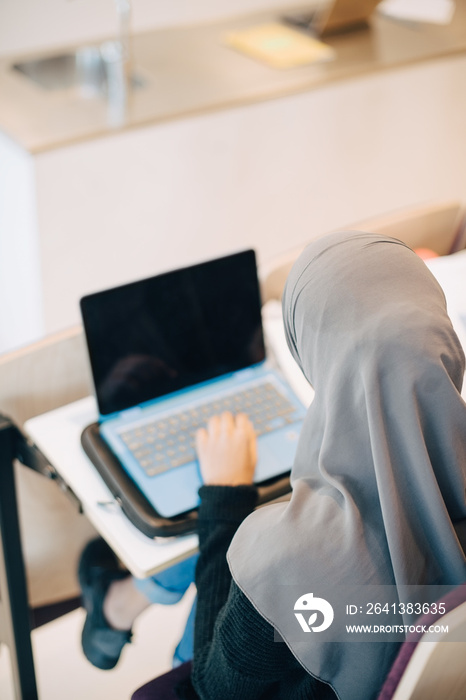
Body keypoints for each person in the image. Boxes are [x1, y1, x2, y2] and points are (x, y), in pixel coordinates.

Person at [79, 231, 466, 700]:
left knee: (232, 541)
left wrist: (225, 495)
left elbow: (213, 689)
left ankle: (118, 606)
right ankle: (123, 603)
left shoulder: (284, 557)